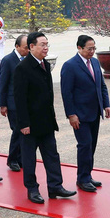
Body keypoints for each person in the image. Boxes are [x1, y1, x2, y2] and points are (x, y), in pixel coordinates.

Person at [14, 32, 76, 204]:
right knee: (29, 158)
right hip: (30, 124)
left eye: (47, 44)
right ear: (31, 46)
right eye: (42, 44)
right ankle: (32, 189)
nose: (46, 47)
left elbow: (48, 92)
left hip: (46, 121)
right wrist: (24, 123)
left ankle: (55, 186)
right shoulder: (22, 68)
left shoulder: (45, 65)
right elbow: (19, 99)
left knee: (52, 155)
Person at [60, 35, 110, 193]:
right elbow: (66, 93)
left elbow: (101, 86)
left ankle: (87, 175)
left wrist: (106, 105)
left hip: (95, 112)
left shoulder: (95, 62)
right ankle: (82, 179)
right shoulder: (70, 66)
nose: (92, 51)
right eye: (89, 49)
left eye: (94, 48)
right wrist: (71, 115)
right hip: (79, 115)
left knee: (92, 145)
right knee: (84, 145)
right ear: (79, 48)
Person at [0, 34, 29, 172]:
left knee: (26, 132)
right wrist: (2, 104)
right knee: (17, 130)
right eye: (26, 48)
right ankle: (12, 159)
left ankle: (22, 158)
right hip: (12, 103)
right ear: (17, 46)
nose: (28, 50)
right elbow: (2, 83)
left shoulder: (29, 59)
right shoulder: (8, 60)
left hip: (27, 103)